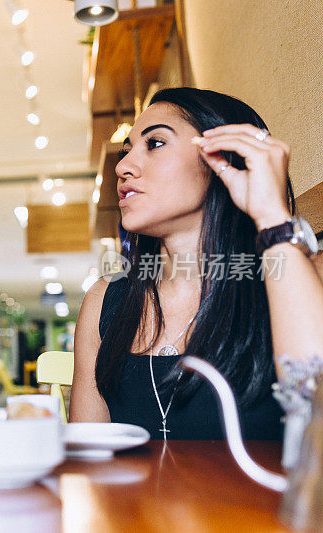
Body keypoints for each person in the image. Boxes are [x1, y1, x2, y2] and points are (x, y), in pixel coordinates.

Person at [71, 87, 323, 439]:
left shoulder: (299, 276)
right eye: (126, 152)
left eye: (155, 143)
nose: (123, 167)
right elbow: (90, 457)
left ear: (222, 157)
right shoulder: (104, 300)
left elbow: (315, 400)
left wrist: (271, 215)